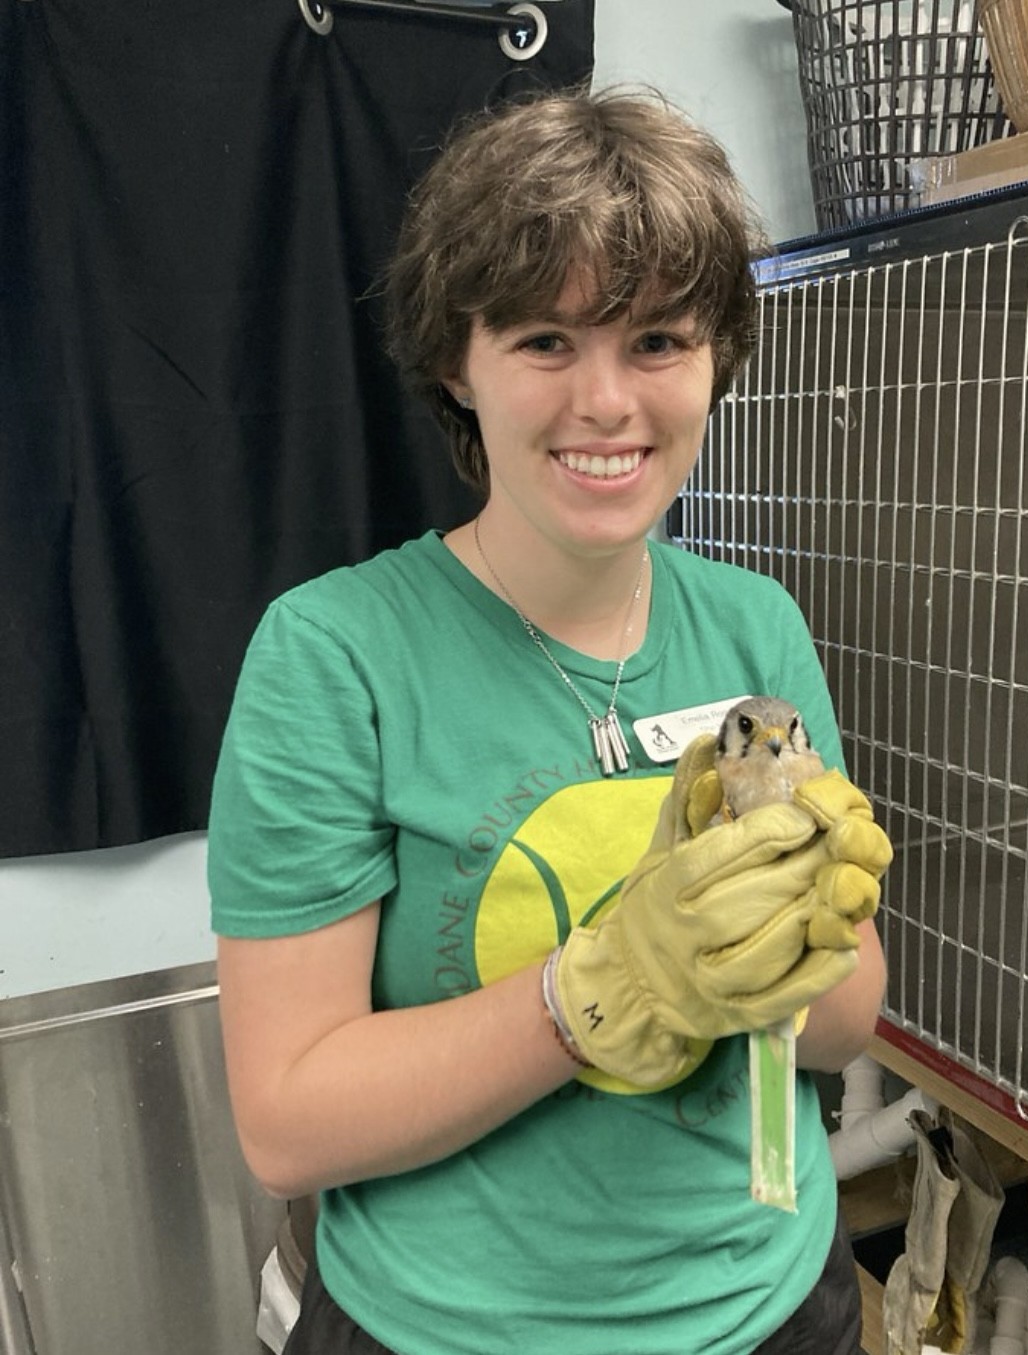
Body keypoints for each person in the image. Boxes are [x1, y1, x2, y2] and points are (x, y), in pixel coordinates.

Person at [208, 85, 890, 1355]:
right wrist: (600, 988)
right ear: (456, 365)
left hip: (777, 1302)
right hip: (454, 1329)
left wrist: (804, 938)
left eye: (657, 341)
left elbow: (846, 1022)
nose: (606, 402)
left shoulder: (755, 627)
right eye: (542, 341)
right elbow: (285, 1120)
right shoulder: (336, 655)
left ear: (716, 361)